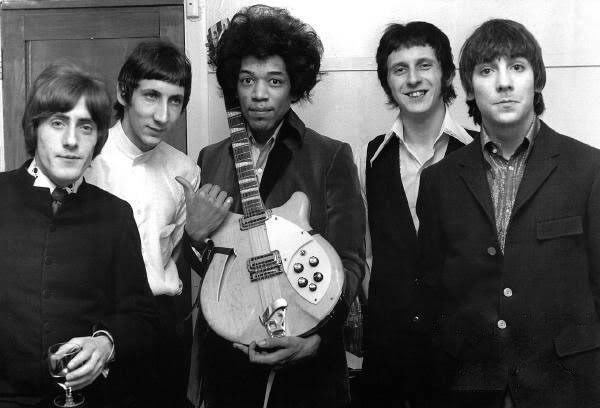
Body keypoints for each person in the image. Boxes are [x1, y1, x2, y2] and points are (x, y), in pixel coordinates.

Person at [183, 5, 365, 408]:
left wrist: (313, 337)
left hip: (309, 363)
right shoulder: (209, 159)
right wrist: (193, 237)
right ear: (234, 84)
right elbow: (210, 268)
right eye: (247, 80)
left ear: (294, 86)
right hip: (227, 362)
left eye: (274, 81)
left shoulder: (330, 156)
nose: (259, 94)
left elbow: (350, 262)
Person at [417, 19, 600, 408]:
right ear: (469, 86)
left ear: (537, 80)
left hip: (567, 387)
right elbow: (431, 296)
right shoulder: (439, 181)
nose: (503, 82)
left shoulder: (589, 170)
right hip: (470, 386)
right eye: (487, 70)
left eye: (517, 67)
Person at [0, 62, 157, 407]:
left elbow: (142, 318)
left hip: (91, 400)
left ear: (97, 139)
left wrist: (106, 344)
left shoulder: (116, 215)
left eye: (85, 127)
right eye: (58, 123)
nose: (71, 141)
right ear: (34, 128)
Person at [85, 40, 227, 407]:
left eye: (175, 101)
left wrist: (198, 236)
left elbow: (184, 256)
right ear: (123, 92)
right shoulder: (86, 158)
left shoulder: (185, 170)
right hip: (96, 323)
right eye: (151, 96)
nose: (162, 115)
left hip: (164, 327)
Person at [355, 21, 472, 407]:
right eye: (399, 69)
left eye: (425, 65)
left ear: (446, 74)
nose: (412, 79)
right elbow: (367, 251)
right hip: (388, 352)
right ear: (387, 82)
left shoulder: (479, 153)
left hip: (464, 352)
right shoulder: (369, 157)